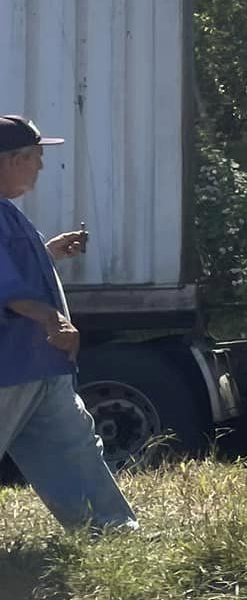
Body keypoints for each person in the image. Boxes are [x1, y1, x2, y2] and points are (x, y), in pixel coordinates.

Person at [0, 115, 138, 533]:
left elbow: (14, 270)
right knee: (71, 448)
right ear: (11, 160)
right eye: (37, 158)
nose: (42, 166)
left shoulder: (6, 212)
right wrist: (51, 319)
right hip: (11, 367)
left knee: (75, 449)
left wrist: (47, 253)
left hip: (38, 365)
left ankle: (111, 532)